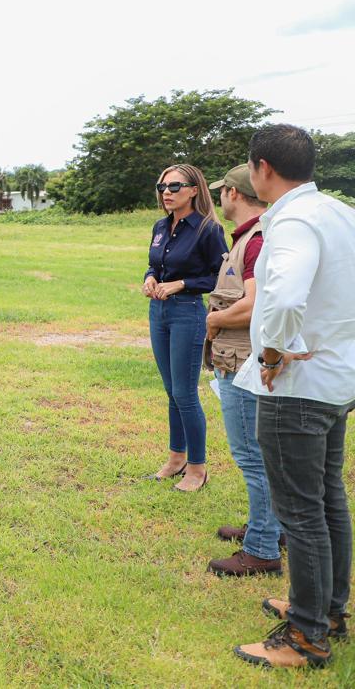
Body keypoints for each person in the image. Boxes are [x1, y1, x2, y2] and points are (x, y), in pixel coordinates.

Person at [231, 125, 355, 670]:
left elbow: (283, 298)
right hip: (336, 379)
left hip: (297, 388)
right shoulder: (339, 213)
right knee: (328, 499)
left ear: (261, 169)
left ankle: (306, 636)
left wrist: (274, 355)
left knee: (301, 511)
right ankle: (327, 609)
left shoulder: (294, 222)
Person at [203, 164, 282, 577]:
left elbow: (255, 306)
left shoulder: (254, 241)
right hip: (243, 360)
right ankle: (269, 527)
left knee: (253, 458)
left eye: (223, 192)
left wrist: (215, 321)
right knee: (261, 456)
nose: (220, 198)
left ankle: (262, 549)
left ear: (234, 194)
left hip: (244, 363)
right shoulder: (252, 237)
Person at [143, 164, 227, 492]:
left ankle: (197, 467)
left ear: (194, 190)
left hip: (187, 313)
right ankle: (176, 458)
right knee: (171, 391)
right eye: (162, 185)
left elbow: (221, 276)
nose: (167, 191)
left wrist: (181, 284)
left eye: (175, 186)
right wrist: (150, 278)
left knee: (185, 393)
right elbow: (154, 263)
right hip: (158, 312)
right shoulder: (161, 226)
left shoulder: (207, 229)